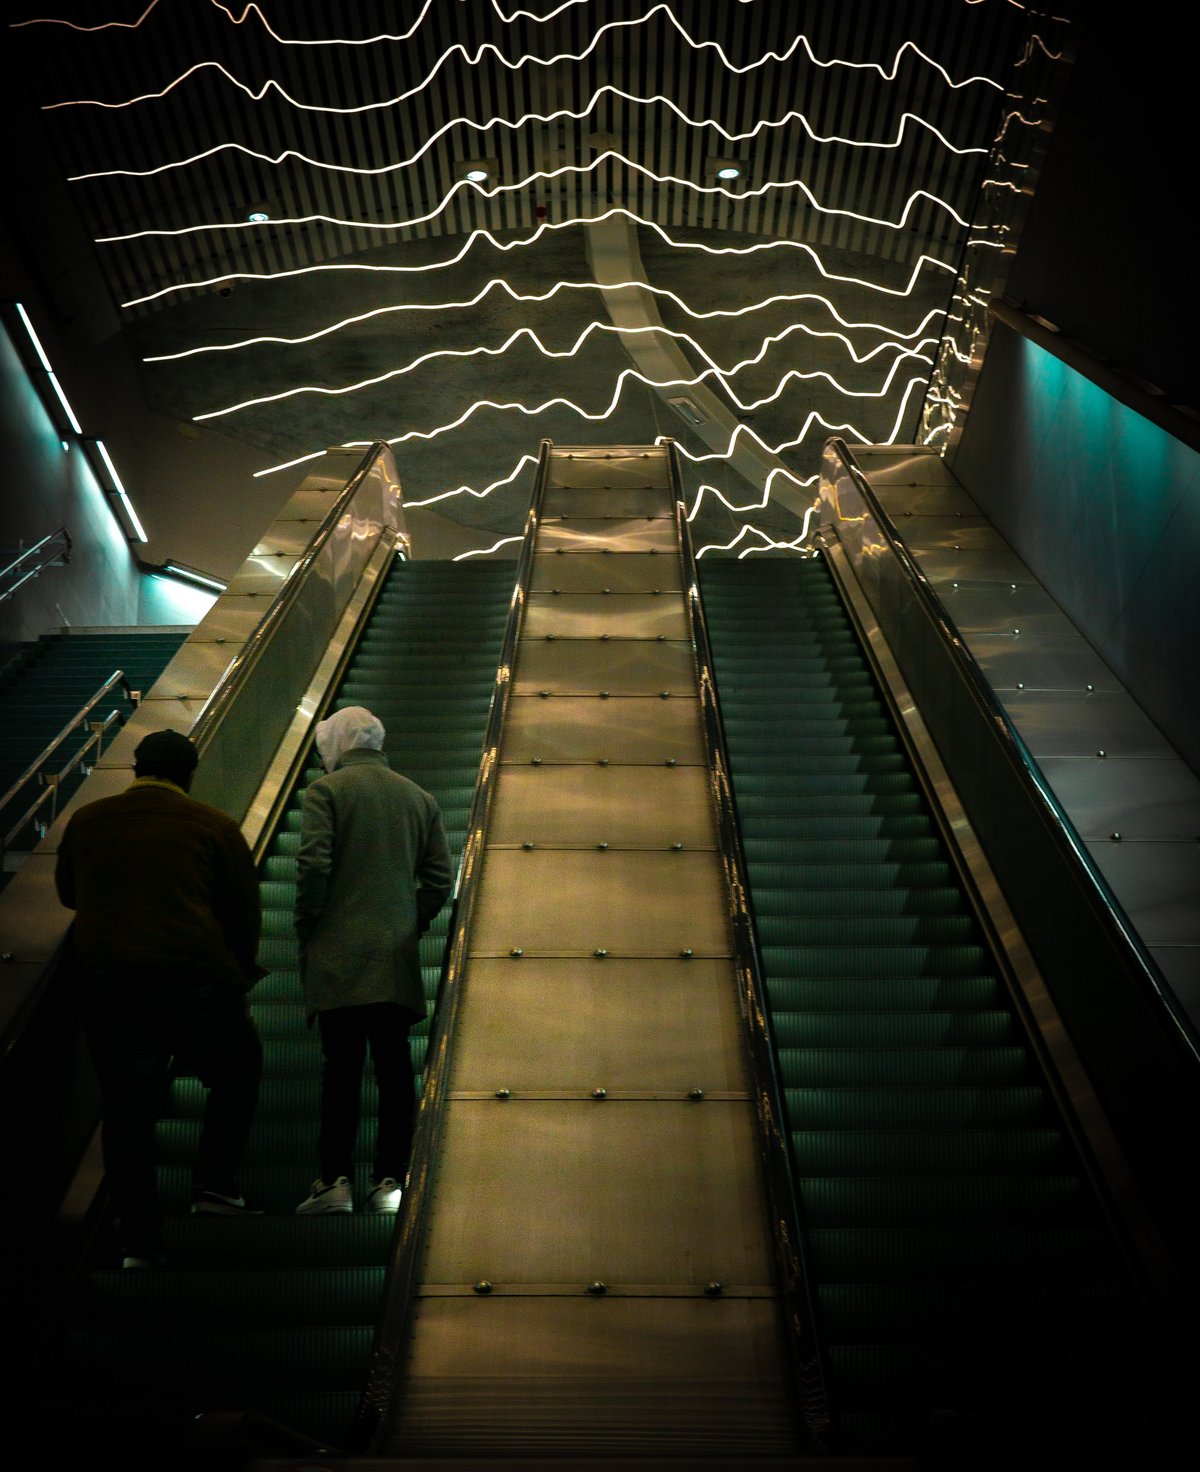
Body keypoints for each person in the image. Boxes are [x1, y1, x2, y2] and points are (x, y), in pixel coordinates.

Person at [54, 728, 265, 1269]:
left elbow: (68, 894)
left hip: (109, 983)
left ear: (135, 769)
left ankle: (139, 1242)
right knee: (237, 1069)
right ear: (189, 775)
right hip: (193, 979)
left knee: (127, 1108)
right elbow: (243, 912)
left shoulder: (86, 821)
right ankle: (215, 1186)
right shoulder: (213, 826)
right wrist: (238, 975)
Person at [293, 705, 452, 1215]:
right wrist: (411, 923)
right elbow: (440, 881)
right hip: (393, 955)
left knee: (341, 1068)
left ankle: (334, 1182)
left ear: (335, 744)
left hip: (338, 953)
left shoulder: (326, 792)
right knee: (393, 1067)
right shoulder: (418, 797)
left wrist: (309, 921)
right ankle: (391, 1181)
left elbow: (315, 862)